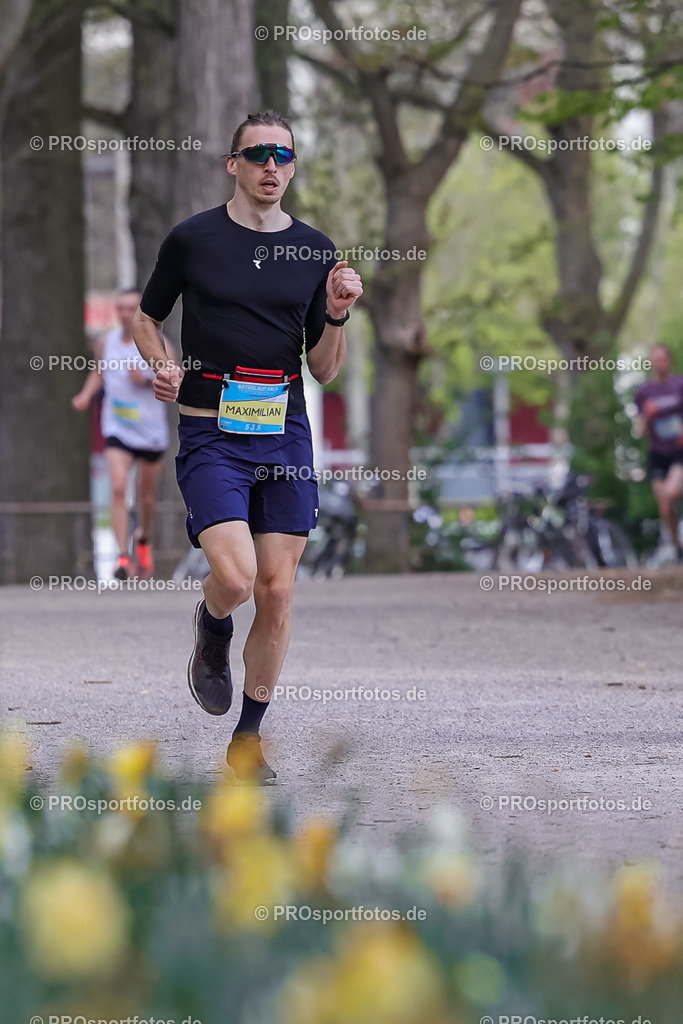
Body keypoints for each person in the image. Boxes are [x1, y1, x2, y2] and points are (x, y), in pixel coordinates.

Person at [132, 110, 362, 783]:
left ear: (292, 168)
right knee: (233, 580)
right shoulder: (192, 240)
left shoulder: (316, 252)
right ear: (232, 164)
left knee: (278, 592)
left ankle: (248, 740)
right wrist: (161, 363)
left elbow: (322, 368)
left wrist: (339, 313)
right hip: (211, 433)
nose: (270, 167)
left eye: (282, 157)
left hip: (283, 434)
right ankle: (211, 624)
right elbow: (148, 317)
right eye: (257, 154)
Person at [73, 288, 171, 579]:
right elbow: (99, 372)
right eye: (121, 308)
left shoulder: (158, 342)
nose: (125, 314)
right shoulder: (107, 342)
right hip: (117, 427)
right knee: (117, 487)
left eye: (132, 308)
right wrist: (86, 395)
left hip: (151, 431)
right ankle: (122, 557)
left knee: (146, 497)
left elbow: (175, 376)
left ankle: (143, 540)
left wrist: (148, 379)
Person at [635, 343, 683, 563]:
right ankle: (675, 547)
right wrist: (647, 416)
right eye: (656, 358)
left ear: (669, 360)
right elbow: (640, 433)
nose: (660, 363)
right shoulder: (644, 393)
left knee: (671, 493)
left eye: (663, 358)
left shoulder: (679, 385)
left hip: (679, 452)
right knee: (664, 505)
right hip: (657, 454)